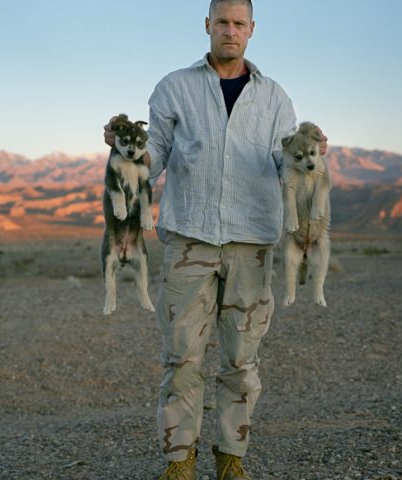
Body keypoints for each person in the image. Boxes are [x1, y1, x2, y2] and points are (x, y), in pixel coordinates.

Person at [103, 1, 327, 478]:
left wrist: (310, 153)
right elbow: (155, 154)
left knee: (242, 360)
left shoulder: (275, 99)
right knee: (181, 356)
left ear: (252, 30)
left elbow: (283, 161)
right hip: (190, 241)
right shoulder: (174, 88)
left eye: (238, 23)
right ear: (208, 26)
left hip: (251, 245)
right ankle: (179, 461)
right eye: (222, 22)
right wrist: (123, 151)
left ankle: (231, 459)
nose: (230, 31)